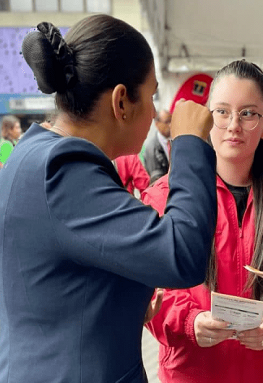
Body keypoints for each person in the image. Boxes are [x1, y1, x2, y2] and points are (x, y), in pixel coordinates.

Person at [0, 15, 217, 383]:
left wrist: (123, 301)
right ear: (121, 102)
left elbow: (54, 279)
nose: (153, 111)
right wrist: (189, 144)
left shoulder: (32, 154)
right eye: (150, 96)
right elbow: (182, 254)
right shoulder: (64, 170)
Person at [142, 59, 263, 383]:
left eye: (248, 113)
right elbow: (146, 288)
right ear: (207, 118)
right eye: (222, 111)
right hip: (191, 372)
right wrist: (189, 321)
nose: (234, 125)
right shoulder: (166, 196)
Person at [143, 109, 172, 184]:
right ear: (157, 124)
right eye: (167, 122)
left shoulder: (175, 141)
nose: (170, 125)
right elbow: (156, 180)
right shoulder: (151, 149)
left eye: (172, 121)